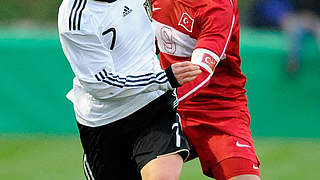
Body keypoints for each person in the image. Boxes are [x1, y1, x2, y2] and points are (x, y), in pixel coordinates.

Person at [58, 0, 202, 179]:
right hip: (105, 120)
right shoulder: (76, 17)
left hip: (154, 104)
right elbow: (102, 85)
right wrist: (164, 78)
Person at [152, 0, 261, 179]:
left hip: (220, 112)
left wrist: (159, 103)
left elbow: (199, 71)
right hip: (174, 112)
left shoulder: (219, 6)